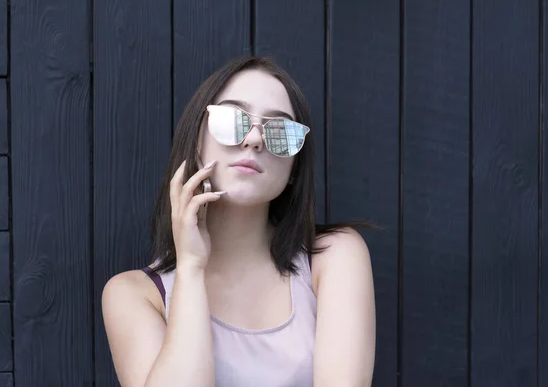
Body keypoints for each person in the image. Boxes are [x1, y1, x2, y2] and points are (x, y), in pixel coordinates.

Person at [102, 56, 376, 386]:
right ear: (197, 141)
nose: (254, 139)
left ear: (293, 170)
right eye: (233, 120)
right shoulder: (133, 295)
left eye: (280, 131)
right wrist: (190, 267)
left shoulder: (334, 257)